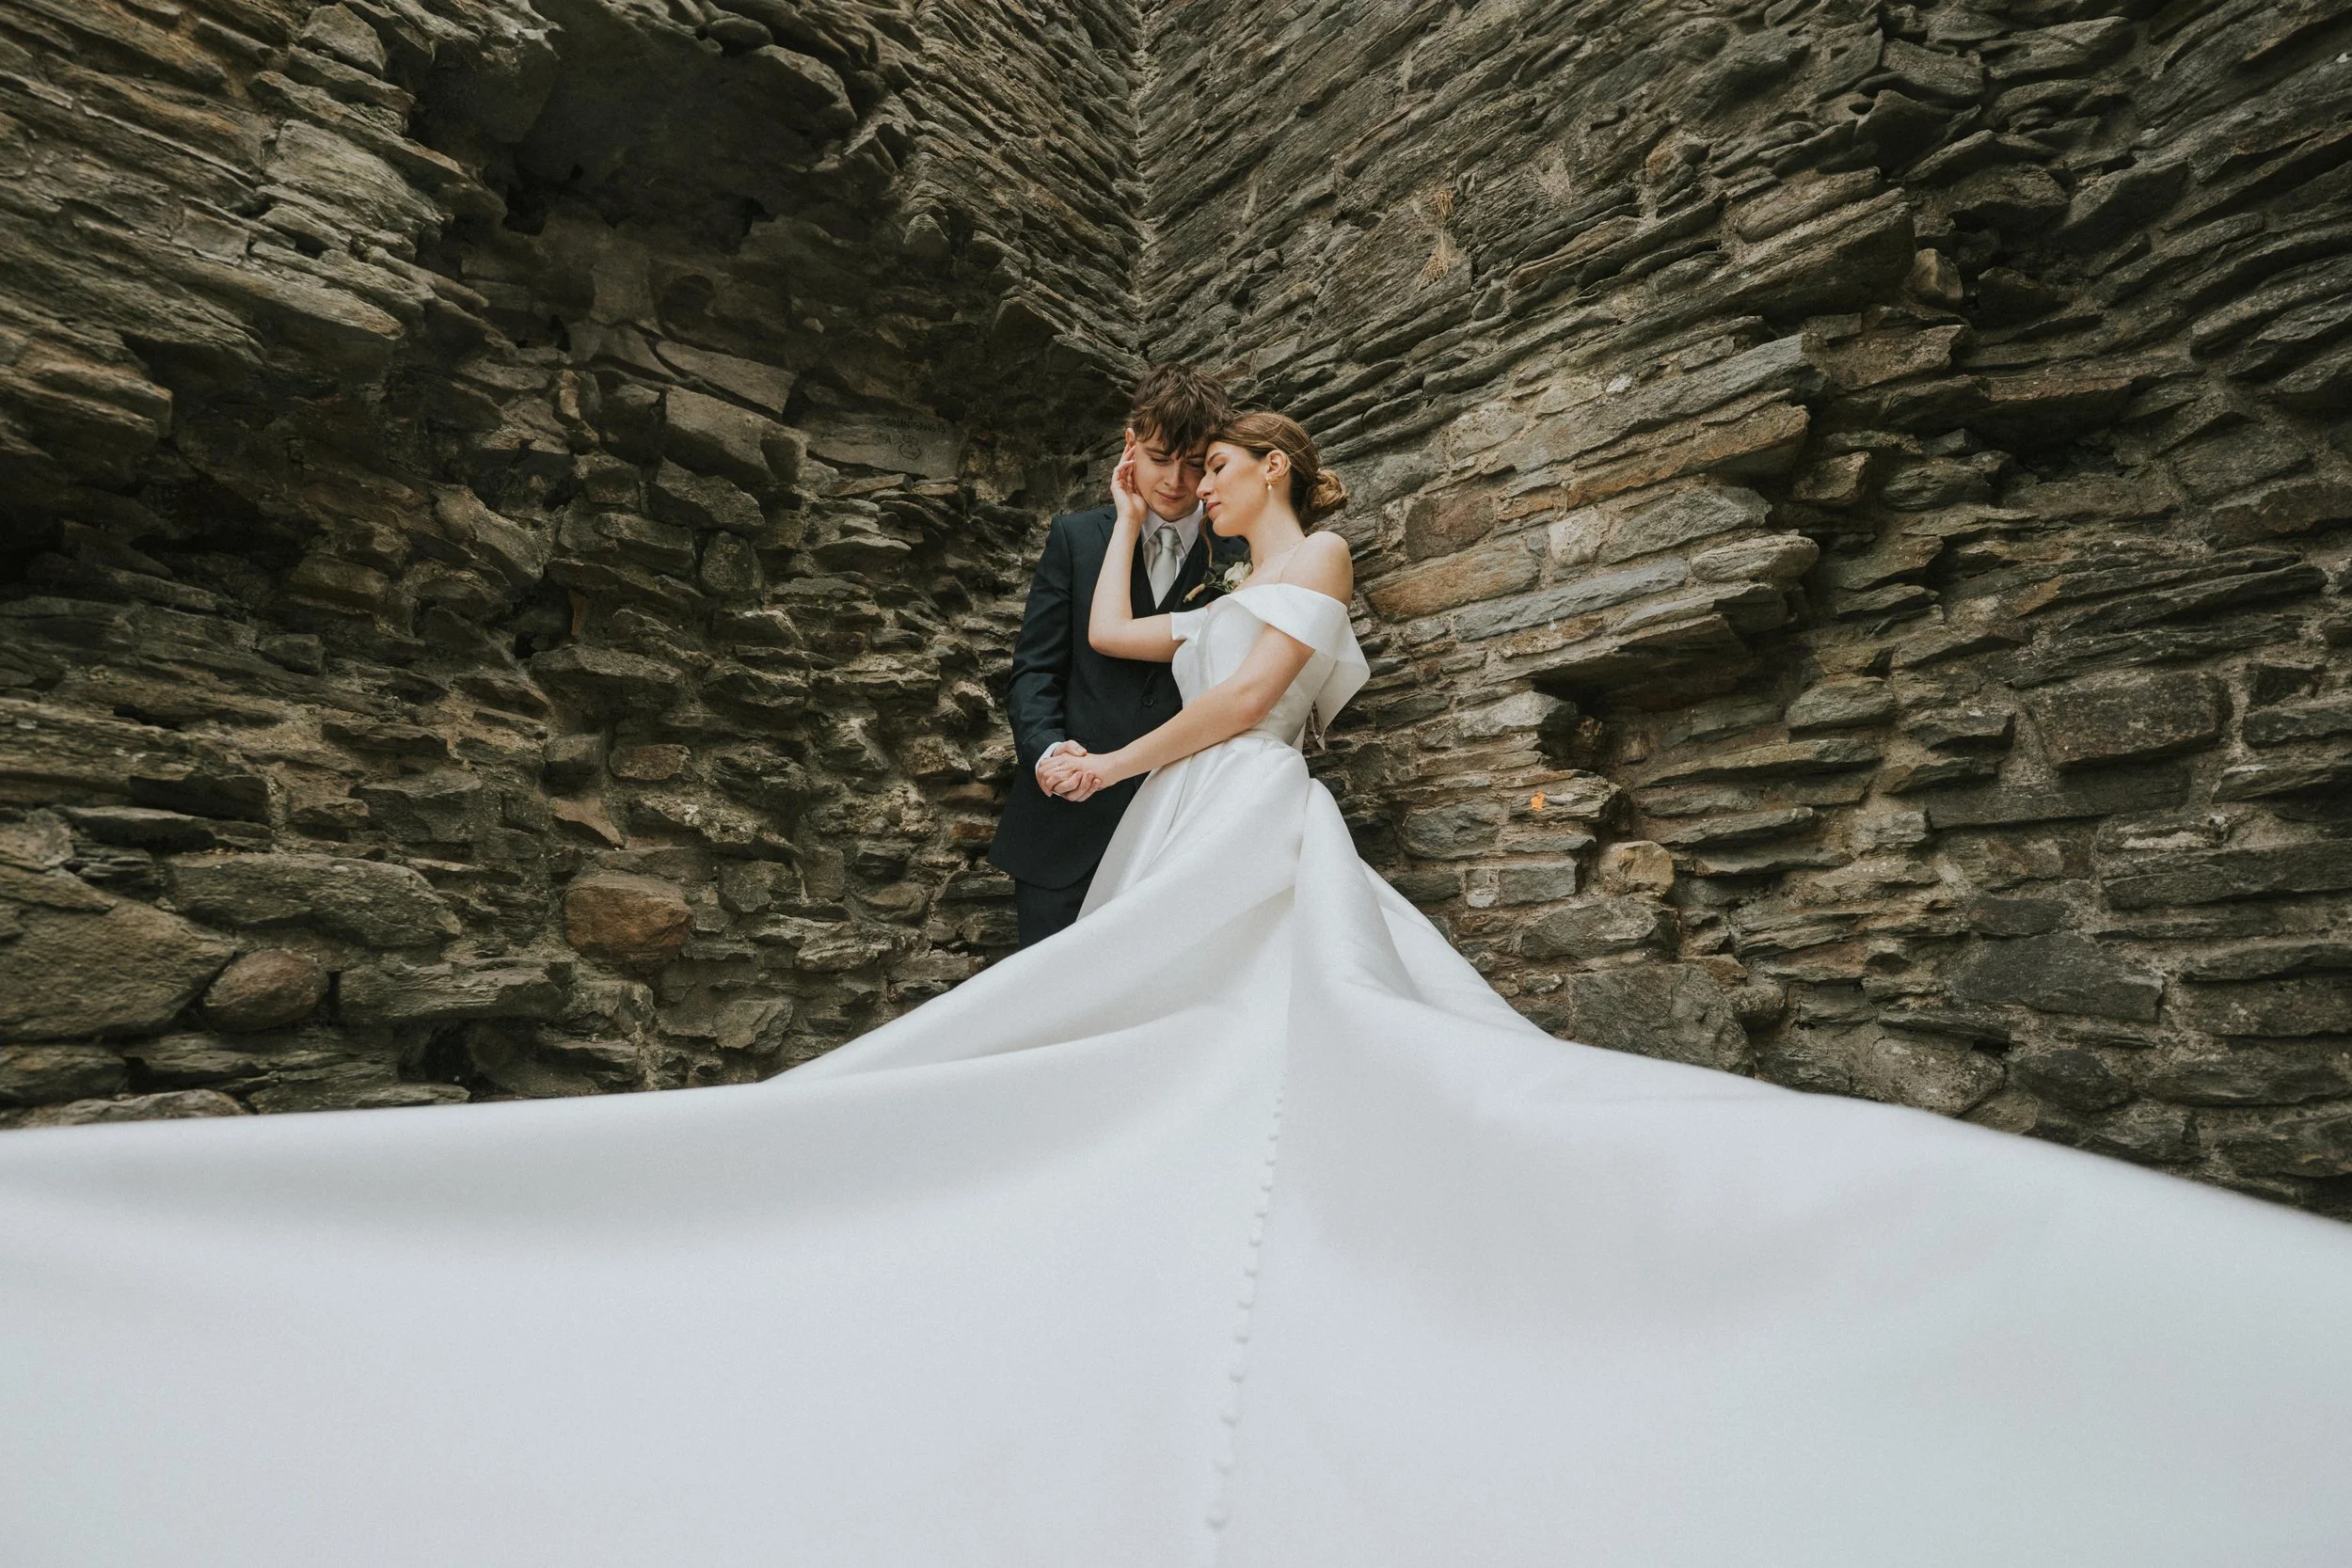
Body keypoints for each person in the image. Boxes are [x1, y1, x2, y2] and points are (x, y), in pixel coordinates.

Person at [6, 414, 2352, 1567]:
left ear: (1290, 478)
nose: (1222, 482)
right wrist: (1118, 534)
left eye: (1230, 461)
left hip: (1232, 809)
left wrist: (1132, 742)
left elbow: (1235, 700)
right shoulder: (1203, 552)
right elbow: (1134, 626)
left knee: (1288, 1027)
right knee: (1143, 1018)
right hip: (1172, 796)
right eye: (1211, 467)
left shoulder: (1320, 559)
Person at [988, 364, 1240, 946]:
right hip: (1066, 828)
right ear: (1130, 445)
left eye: (1196, 463)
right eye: (1158, 457)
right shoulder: (1075, 538)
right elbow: (1036, 670)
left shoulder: (1242, 548)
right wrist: (1048, 753)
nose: (1176, 481)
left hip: (1182, 826)